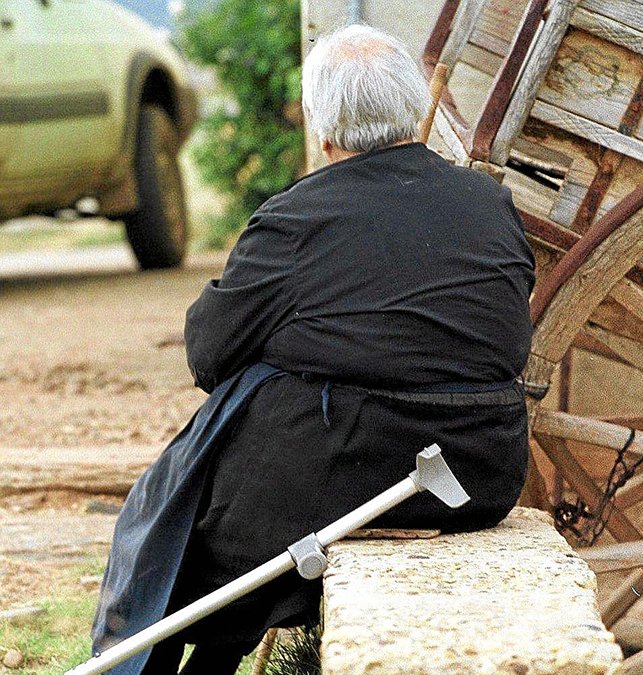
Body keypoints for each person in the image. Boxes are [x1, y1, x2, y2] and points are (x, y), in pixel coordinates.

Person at [90, 24, 536, 675]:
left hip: (346, 478)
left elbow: (208, 353)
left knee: (184, 517)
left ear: (324, 132)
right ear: (414, 111)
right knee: (269, 412)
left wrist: (295, 344)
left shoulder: (297, 218)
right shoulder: (492, 204)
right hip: (481, 476)